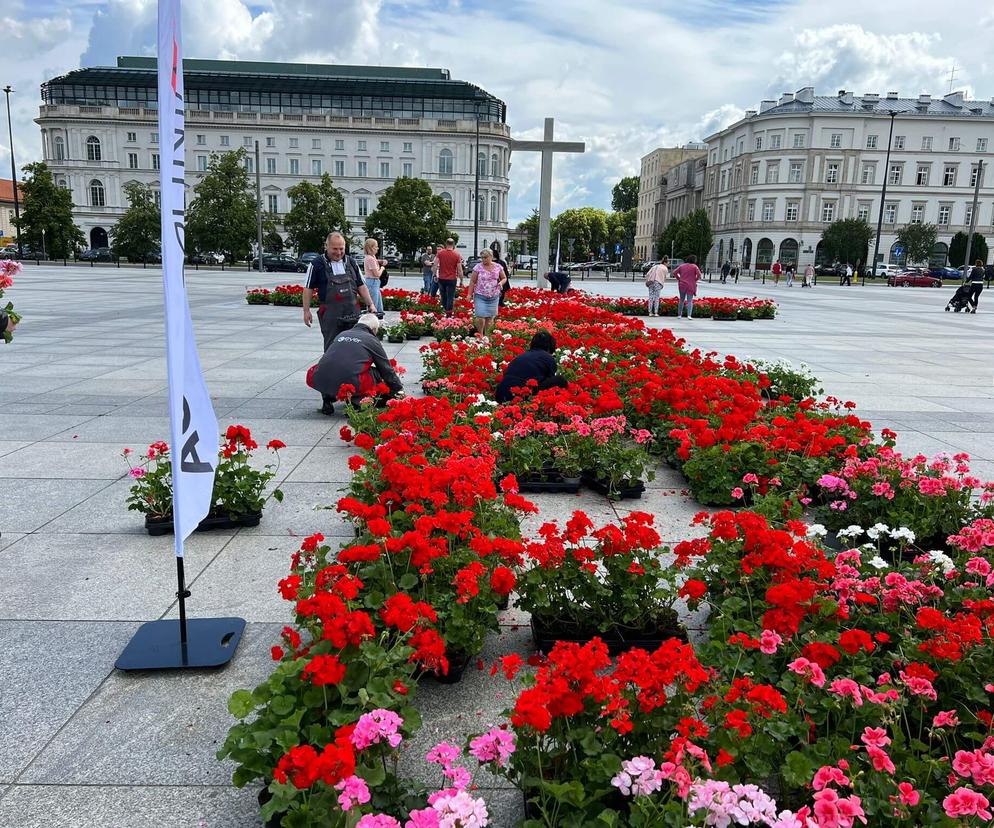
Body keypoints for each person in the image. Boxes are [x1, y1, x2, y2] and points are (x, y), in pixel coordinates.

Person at [306, 313, 404, 413]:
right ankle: (357, 401)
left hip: (319, 378)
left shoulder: (342, 334)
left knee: (331, 368)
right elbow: (386, 369)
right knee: (375, 373)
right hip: (352, 381)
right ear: (373, 329)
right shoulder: (371, 340)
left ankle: (327, 398)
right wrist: (398, 389)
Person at [303, 232, 377, 354]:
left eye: (341, 249)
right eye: (335, 249)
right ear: (326, 246)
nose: (338, 252)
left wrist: (371, 304)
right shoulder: (316, 264)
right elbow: (308, 288)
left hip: (353, 313)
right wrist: (306, 311)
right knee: (332, 348)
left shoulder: (352, 262)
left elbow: (361, 285)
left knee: (355, 347)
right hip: (330, 315)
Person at [495, 330, 569, 402]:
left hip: (500, 394)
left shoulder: (522, 355)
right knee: (560, 380)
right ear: (550, 347)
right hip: (522, 395)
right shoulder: (547, 357)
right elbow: (549, 379)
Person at [467, 248, 507, 336]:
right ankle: (480, 335)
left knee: (490, 317)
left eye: (485, 257)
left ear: (491, 257)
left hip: (493, 296)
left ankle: (487, 336)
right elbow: (472, 281)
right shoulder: (478, 267)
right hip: (480, 295)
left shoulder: (498, 267)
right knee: (480, 316)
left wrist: (501, 283)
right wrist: (469, 294)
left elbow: (504, 278)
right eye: (482, 258)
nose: (483, 260)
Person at [434, 238, 463, 316]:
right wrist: (461, 280)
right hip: (452, 279)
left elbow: (435, 265)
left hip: (441, 278)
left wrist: (434, 275)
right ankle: (449, 313)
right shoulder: (457, 255)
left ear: (446, 244)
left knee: (443, 296)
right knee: (450, 296)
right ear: (453, 244)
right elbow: (459, 269)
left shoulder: (440, 253)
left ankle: (445, 309)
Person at [673, 254, 702, 319]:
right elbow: (699, 274)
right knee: (690, 300)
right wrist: (695, 280)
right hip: (691, 285)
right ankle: (689, 315)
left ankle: (679, 315)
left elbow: (674, 272)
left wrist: (679, 278)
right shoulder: (694, 266)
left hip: (682, 284)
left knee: (681, 300)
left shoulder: (682, 266)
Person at [362, 237, 386, 316]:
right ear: (371, 248)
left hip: (374, 282)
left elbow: (374, 262)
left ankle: (379, 318)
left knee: (378, 302)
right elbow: (377, 274)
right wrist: (382, 268)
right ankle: (372, 319)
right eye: (376, 246)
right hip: (372, 282)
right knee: (373, 303)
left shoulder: (372, 257)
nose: (377, 248)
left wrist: (380, 261)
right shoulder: (370, 259)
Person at [491, 241, 512, 307]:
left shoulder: (490, 263)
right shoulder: (501, 262)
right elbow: (506, 273)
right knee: (501, 293)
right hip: (502, 281)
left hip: (495, 281)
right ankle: (500, 302)